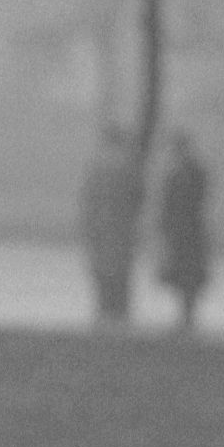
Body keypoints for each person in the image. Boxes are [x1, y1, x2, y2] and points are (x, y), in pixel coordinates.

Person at [78, 124, 144, 326]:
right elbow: (139, 199)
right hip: (121, 232)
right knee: (120, 278)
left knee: (101, 278)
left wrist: (88, 228)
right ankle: (119, 320)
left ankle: (103, 317)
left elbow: (87, 202)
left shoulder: (97, 168)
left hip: (100, 231)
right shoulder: (129, 168)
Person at [155, 130, 214, 334]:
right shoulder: (195, 171)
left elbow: (171, 205)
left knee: (184, 276)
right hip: (188, 232)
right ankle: (186, 316)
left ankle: (186, 317)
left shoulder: (181, 173)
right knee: (186, 278)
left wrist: (165, 227)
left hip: (183, 233)